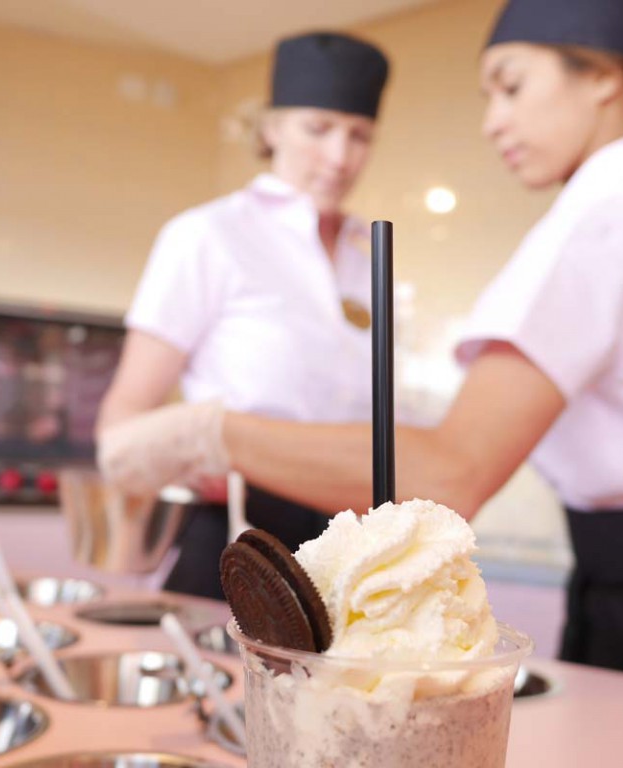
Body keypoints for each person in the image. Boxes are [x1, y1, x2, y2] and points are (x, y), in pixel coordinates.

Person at [98, 0, 623, 703]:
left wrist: (213, 429)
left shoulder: (607, 218)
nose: (491, 121)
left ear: (604, 77)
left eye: (511, 85)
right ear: (271, 129)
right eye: (319, 129)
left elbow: (453, 472)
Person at [96, 32, 390, 600]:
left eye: (360, 136)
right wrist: (191, 463)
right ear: (271, 127)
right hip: (239, 533)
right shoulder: (209, 235)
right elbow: (124, 418)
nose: (340, 156)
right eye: (318, 128)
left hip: (352, 544)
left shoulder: (370, 253)